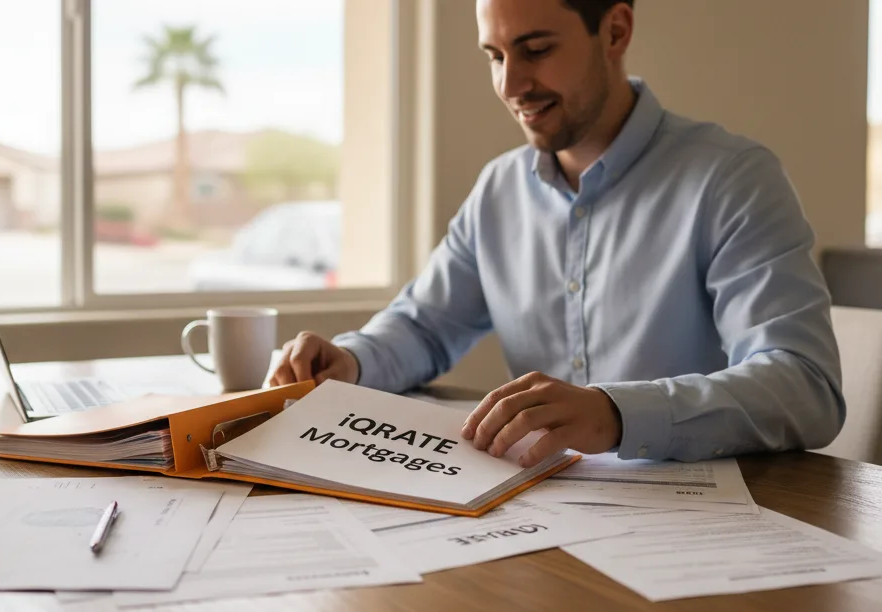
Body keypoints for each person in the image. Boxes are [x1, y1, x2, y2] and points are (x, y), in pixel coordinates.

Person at [269, 0, 845, 466]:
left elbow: (805, 385)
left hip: (711, 528)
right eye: (494, 55)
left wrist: (615, 414)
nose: (511, 83)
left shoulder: (732, 178)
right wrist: (351, 361)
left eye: (536, 50)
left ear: (615, 31)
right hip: (538, 516)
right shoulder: (499, 190)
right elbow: (425, 326)